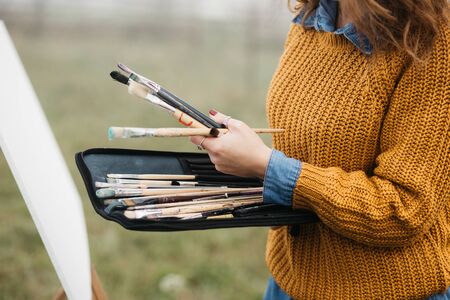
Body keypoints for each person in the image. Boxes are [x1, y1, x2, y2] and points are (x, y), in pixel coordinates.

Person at [191, 0, 449, 299]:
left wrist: (267, 166)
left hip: (386, 290)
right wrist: (243, 153)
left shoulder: (432, 37)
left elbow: (404, 209)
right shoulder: (312, 17)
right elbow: (304, 145)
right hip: (289, 280)